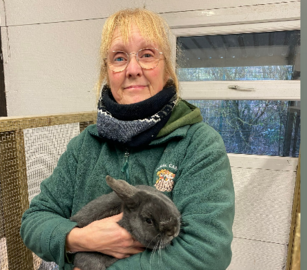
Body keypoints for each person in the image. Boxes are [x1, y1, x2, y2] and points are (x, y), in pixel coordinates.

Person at [20, 8, 235, 270]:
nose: (133, 69)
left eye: (147, 55)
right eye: (119, 58)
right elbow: (34, 220)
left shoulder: (198, 145)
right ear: (107, 72)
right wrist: (80, 238)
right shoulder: (85, 146)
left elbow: (207, 253)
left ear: (167, 69)